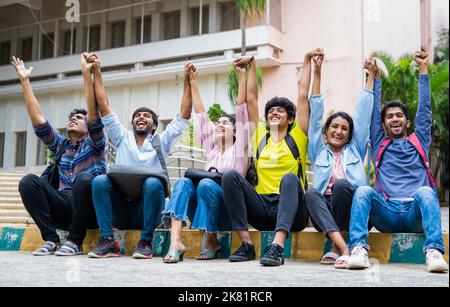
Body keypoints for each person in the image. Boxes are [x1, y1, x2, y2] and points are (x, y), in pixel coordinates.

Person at [347, 51, 449, 273]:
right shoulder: (380, 142)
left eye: (399, 115)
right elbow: (374, 113)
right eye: (390, 116)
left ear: (407, 121)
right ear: (384, 124)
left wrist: (423, 69)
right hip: (387, 212)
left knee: (426, 192)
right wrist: (376, 76)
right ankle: (357, 250)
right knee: (363, 190)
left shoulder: (419, 140)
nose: (395, 118)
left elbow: (425, 109)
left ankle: (433, 251)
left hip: (415, 213)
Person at [221, 49, 323, 266]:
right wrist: (251, 65)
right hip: (263, 209)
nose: (274, 113)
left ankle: (277, 247)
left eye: (280, 110)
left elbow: (303, 95)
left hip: (293, 212)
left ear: (291, 118)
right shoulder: (259, 136)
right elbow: (251, 99)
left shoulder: (298, 136)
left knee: (289, 179)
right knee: (230, 177)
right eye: (270, 111)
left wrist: (307, 61)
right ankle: (247, 244)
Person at [87, 55, 193, 259]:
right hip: (121, 209)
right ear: (133, 123)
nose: (141, 117)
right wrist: (96, 70)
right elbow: (104, 105)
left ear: (154, 125)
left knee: (154, 183)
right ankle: (108, 241)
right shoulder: (121, 137)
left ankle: (146, 242)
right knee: (100, 180)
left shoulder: (161, 141)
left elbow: (184, 115)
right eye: (137, 116)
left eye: (147, 116)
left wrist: (187, 80)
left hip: (147, 212)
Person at [12, 54, 107, 256]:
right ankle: (51, 239)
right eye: (71, 118)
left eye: (79, 118)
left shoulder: (95, 144)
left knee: (83, 180)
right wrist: (25, 81)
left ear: (89, 126)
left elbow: (93, 113)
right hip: (64, 206)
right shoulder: (62, 146)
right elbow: (38, 121)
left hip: (91, 210)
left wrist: (86, 74)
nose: (73, 120)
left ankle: (75, 241)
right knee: (28, 181)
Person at [161, 61, 252, 263]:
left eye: (225, 123)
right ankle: (176, 242)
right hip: (203, 206)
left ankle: (212, 240)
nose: (219, 125)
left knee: (205, 183)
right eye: (217, 123)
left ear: (236, 130)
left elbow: (241, 109)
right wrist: (192, 81)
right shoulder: (211, 146)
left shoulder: (241, 148)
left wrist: (242, 75)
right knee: (184, 182)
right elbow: (201, 113)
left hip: (228, 213)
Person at [304, 54, 376, 269]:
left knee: (342, 185)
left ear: (350, 134)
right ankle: (343, 247)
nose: (338, 131)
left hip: (354, 208)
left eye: (344, 128)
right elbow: (315, 114)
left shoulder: (355, 149)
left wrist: (370, 75)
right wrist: (317, 72)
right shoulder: (318, 150)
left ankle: (337, 248)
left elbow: (363, 115)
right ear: (326, 131)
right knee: (311, 193)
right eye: (334, 127)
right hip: (324, 212)